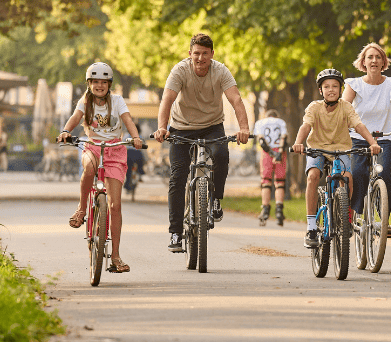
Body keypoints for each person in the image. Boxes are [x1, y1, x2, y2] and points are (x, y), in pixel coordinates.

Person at [153, 33, 250, 252]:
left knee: (222, 155)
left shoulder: (221, 71)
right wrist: (162, 127)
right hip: (181, 128)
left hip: (212, 126)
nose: (200, 58)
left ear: (212, 55)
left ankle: (216, 199)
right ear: (190, 54)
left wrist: (244, 128)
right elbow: (167, 99)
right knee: (177, 177)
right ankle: (176, 233)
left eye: (205, 53)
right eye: (196, 53)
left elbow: (236, 99)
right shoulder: (179, 70)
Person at [57, 62, 144, 273]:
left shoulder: (117, 101)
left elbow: (128, 119)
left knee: (115, 206)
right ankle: (81, 209)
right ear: (89, 84)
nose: (99, 86)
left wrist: (135, 137)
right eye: (95, 82)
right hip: (93, 147)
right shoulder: (85, 102)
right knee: (88, 169)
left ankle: (115, 256)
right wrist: (66, 131)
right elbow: (75, 118)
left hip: (116, 150)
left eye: (103, 82)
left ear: (109, 84)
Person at [291, 69, 381, 248]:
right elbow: (305, 126)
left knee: (347, 178)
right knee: (313, 176)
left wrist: (372, 143)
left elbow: (359, 125)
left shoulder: (346, 107)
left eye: (335, 86)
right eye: (326, 86)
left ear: (340, 89)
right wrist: (298, 143)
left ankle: (345, 219)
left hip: (340, 150)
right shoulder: (314, 107)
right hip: (317, 149)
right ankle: (311, 227)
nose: (331, 90)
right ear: (320, 90)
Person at [343, 42, 391, 239]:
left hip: (385, 138)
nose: (374, 60)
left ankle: (383, 219)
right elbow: (344, 107)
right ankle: (356, 214)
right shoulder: (354, 84)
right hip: (358, 138)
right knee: (357, 172)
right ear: (363, 62)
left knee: (383, 175)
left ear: (384, 61)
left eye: (378, 57)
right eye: (370, 57)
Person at [252, 109, 288, 226]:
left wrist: (270, 153)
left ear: (266, 115)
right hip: (280, 152)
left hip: (267, 153)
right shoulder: (281, 122)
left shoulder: (260, 122)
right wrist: (279, 152)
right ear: (276, 116)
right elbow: (284, 137)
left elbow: (261, 140)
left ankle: (265, 210)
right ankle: (279, 211)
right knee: (280, 182)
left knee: (266, 181)